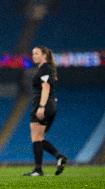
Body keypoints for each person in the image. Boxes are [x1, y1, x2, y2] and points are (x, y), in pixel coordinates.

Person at [23, 46, 67, 176]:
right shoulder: (47, 69)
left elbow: (46, 87)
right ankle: (59, 157)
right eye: (32, 54)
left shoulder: (45, 68)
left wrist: (41, 106)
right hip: (51, 105)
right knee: (39, 138)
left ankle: (38, 169)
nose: (34, 56)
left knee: (36, 137)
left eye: (36, 53)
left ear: (44, 55)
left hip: (44, 105)